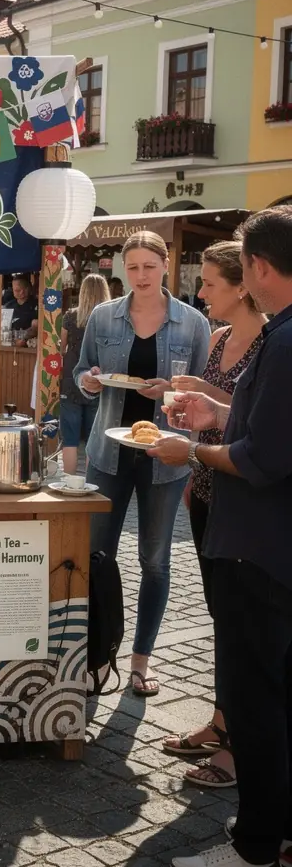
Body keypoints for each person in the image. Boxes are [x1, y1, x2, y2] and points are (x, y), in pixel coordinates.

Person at [159, 208, 292, 867]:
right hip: (273, 548)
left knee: (255, 700)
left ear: (260, 268)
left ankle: (255, 852)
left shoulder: (284, 339)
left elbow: (258, 459)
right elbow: (268, 429)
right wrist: (219, 414)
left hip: (259, 550)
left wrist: (191, 450)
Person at [73, 231, 210, 697]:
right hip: (108, 453)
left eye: (149, 266)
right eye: (132, 267)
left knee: (155, 561)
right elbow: (83, 370)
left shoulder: (192, 323)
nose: (141, 275)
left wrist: (170, 391)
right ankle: (95, 659)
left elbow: (203, 393)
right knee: (97, 557)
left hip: (165, 456)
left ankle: (140, 661)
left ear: (165, 265)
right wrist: (90, 381)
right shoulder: (103, 315)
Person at [155, 242, 265, 789]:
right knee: (222, 616)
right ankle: (222, 723)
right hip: (206, 490)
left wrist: (205, 411)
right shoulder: (219, 338)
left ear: (243, 286)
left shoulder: (271, 341)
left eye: (211, 283)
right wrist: (193, 397)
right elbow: (221, 409)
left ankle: (238, 747)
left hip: (242, 499)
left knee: (244, 627)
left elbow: (254, 422)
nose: (200, 292)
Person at [59, 274, 110, 475]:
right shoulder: (109, 319)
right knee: (93, 438)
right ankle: (90, 483)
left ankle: (68, 483)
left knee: (69, 439)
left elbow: (61, 347)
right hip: (99, 379)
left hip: (71, 380)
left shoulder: (70, 317)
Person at [7, 275, 38, 342]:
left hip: (31, 342)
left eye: (25, 289)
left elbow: (36, 326)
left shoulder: (38, 305)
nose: (21, 292)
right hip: (10, 341)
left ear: (29, 288)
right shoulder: (8, 306)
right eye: (17, 290)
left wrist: (24, 337)